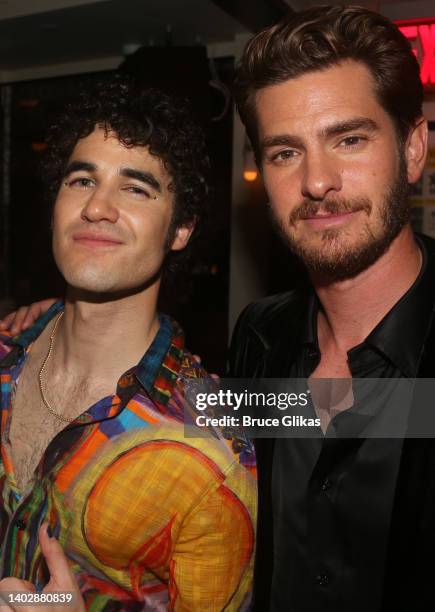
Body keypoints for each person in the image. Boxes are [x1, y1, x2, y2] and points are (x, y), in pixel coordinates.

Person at [0, 75, 256, 611]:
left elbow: (363, 409)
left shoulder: (209, 452)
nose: (97, 207)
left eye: (136, 188)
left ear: (180, 227)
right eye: (81, 180)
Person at [229, 5, 435, 612]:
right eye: (284, 152)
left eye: (348, 139)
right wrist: (75, 316)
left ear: (414, 148)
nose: (317, 181)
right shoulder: (260, 336)